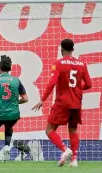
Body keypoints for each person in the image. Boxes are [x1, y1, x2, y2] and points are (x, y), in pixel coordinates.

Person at [32, 39, 92, 167]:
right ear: (73, 49)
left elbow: (52, 82)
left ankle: (65, 149)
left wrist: (43, 99)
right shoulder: (82, 64)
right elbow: (89, 84)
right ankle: (74, 159)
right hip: (76, 102)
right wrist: (76, 87)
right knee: (73, 130)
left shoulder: (58, 64)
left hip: (62, 103)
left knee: (49, 129)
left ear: (61, 49)